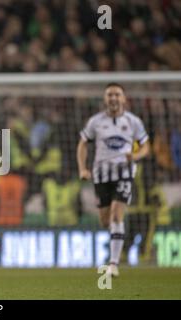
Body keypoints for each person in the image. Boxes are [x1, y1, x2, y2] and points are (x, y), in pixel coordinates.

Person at [77, 83, 150, 277]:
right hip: (101, 175)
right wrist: (82, 168)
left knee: (117, 216)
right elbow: (83, 144)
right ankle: (116, 238)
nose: (113, 98)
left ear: (124, 99)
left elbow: (145, 146)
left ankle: (113, 263)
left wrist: (135, 157)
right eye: (110, 95)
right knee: (105, 220)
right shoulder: (96, 122)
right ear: (105, 99)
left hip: (124, 174)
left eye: (117, 94)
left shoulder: (133, 122)